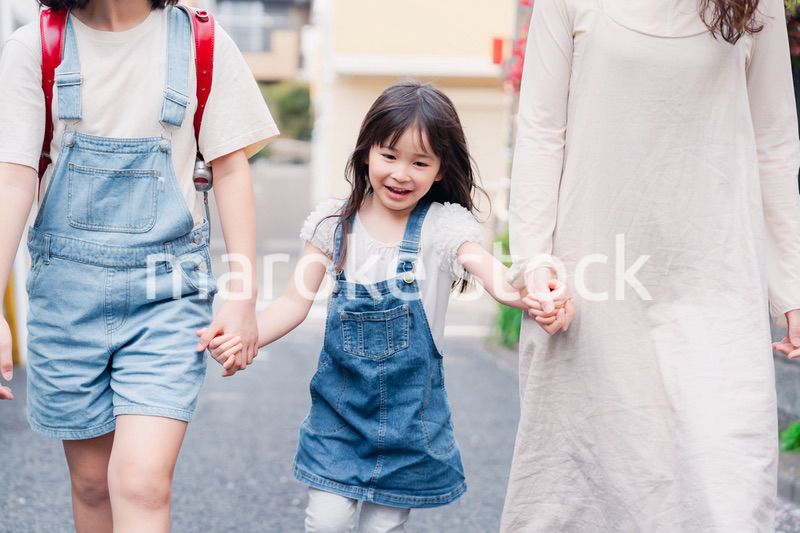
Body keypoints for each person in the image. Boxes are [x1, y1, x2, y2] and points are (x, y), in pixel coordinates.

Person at [502, 0, 800, 531]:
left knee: (728, 488)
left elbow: (774, 141)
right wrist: (535, 261)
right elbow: (542, 131)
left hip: (717, 282)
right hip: (595, 284)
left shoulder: (757, 5)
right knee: (587, 495)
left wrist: (791, 287)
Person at [202, 81, 545, 532]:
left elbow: (483, 267)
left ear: (440, 170)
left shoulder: (443, 226)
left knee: (381, 528)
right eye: (389, 156)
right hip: (338, 417)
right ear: (366, 153)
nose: (401, 173)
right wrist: (246, 337)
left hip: (409, 421)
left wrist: (518, 291)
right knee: (326, 522)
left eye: (419, 162)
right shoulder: (333, 224)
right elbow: (293, 301)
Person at [0, 0, 277, 531]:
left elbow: (231, 169)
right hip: (66, 302)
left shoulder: (201, 42)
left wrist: (241, 295)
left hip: (167, 296)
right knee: (91, 485)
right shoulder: (34, 47)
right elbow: (13, 181)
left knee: (142, 483)